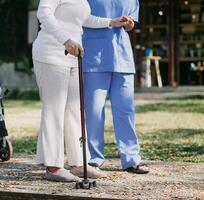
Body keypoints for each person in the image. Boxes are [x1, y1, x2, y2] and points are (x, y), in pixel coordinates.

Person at [32, 0, 129, 182]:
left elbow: (83, 19)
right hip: (51, 53)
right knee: (54, 111)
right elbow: (44, 14)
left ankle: (78, 164)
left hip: (73, 54)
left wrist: (111, 22)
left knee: (75, 111)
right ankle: (53, 167)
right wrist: (65, 39)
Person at [82, 0, 149, 174]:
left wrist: (128, 24)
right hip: (94, 57)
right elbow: (80, 17)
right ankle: (93, 158)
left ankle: (131, 159)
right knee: (94, 111)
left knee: (125, 110)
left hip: (123, 57)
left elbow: (130, 26)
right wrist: (110, 21)